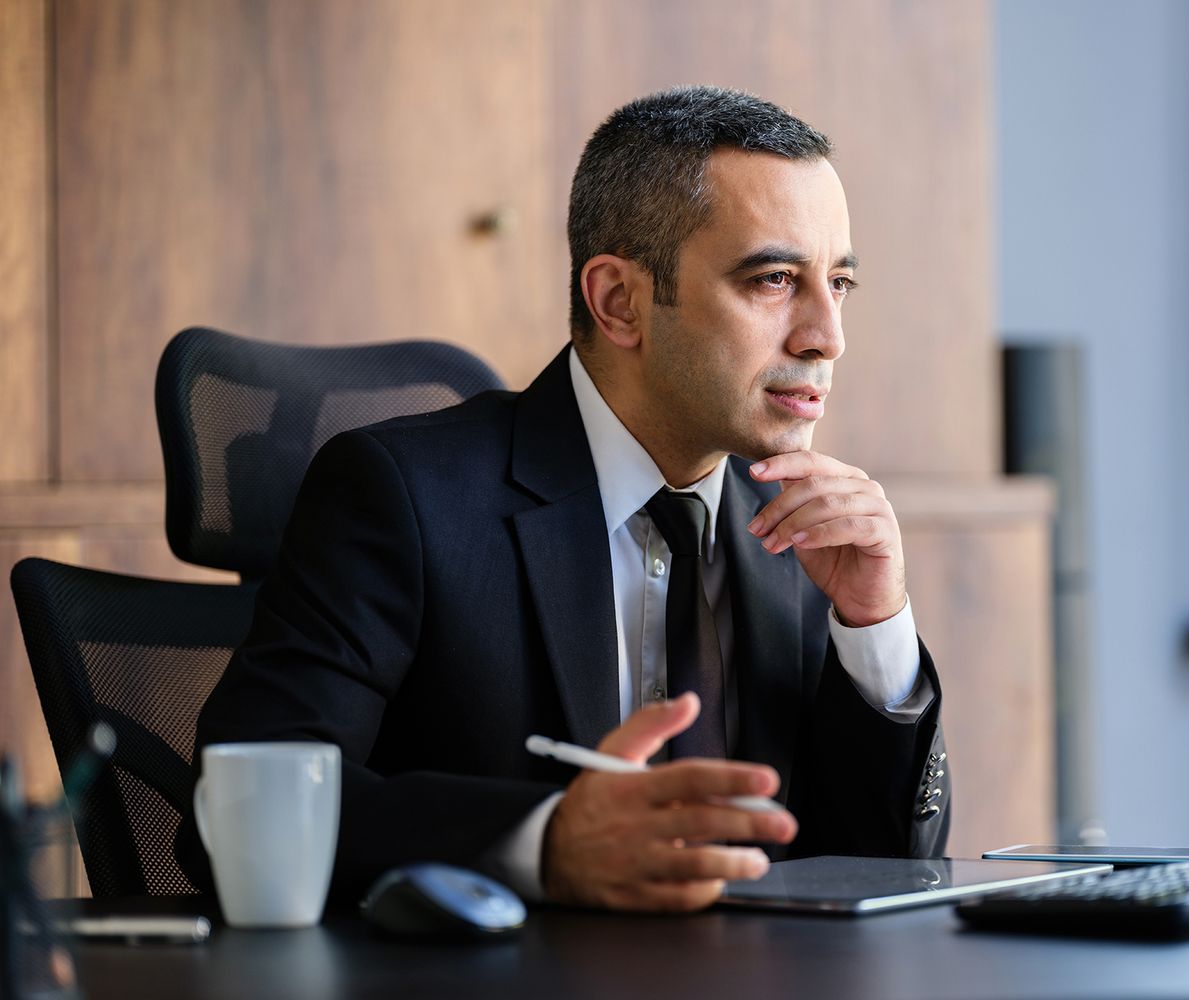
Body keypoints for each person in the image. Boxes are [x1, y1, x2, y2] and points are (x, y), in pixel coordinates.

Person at [187, 86, 949, 913]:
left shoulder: (806, 537)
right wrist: (542, 841)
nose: (826, 336)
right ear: (619, 301)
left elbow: (885, 873)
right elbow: (237, 815)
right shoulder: (399, 497)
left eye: (838, 283)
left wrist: (877, 631)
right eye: (772, 280)